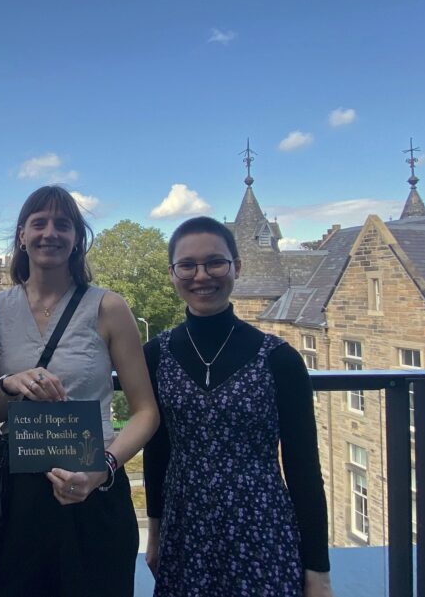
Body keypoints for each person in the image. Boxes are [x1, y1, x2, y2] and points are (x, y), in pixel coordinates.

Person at [0, 185, 160, 597]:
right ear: (21, 236)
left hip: (94, 490)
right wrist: (10, 385)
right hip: (20, 497)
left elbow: (146, 411)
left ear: (77, 237)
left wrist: (104, 468)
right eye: (38, 223)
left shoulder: (109, 307)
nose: (50, 233)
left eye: (63, 224)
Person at [142, 216, 333, 596]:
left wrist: (318, 570)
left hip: (262, 528)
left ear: (236, 267)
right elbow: (157, 449)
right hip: (186, 530)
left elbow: (303, 468)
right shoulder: (156, 354)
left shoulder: (279, 359)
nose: (202, 275)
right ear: (172, 273)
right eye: (187, 265)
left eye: (215, 262)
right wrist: (155, 532)